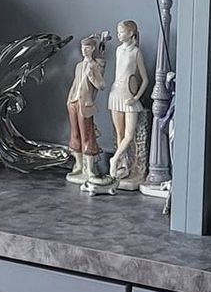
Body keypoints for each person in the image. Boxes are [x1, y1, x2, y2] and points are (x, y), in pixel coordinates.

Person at [107, 20, 150, 190]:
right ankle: (122, 165)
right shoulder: (118, 50)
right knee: (119, 132)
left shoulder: (136, 52)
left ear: (131, 33)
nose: (119, 35)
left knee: (129, 134)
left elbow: (145, 80)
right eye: (118, 32)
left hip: (129, 96)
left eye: (122, 32)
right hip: (116, 93)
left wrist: (136, 97)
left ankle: (114, 159)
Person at [64, 32, 110, 185]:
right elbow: (75, 84)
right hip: (74, 102)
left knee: (87, 135)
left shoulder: (94, 66)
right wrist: (69, 100)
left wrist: (92, 77)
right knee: (75, 133)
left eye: (87, 48)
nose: (84, 50)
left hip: (85, 104)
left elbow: (101, 85)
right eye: (82, 47)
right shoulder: (78, 66)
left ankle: (89, 169)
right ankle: (78, 165)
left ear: (92, 49)